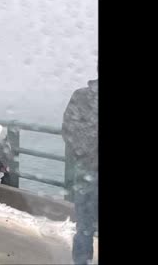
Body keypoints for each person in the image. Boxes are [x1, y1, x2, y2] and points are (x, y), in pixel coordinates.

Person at [62, 67, 98, 265]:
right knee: (84, 226)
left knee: (84, 226)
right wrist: (87, 153)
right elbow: (69, 128)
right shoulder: (82, 97)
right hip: (88, 173)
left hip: (86, 170)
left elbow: (69, 129)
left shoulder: (81, 96)